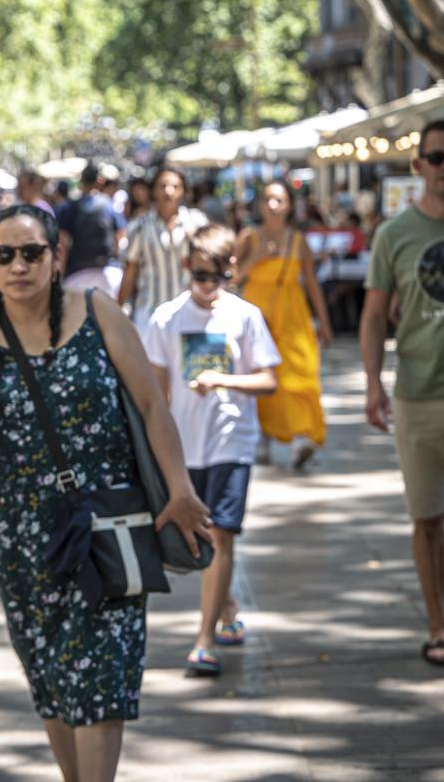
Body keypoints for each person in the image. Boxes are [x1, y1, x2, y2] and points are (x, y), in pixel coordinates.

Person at [0, 204, 211, 782]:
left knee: (102, 676)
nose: (19, 266)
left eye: (32, 252)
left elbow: (150, 406)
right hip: (23, 532)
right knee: (50, 674)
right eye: (5, 255)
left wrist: (180, 489)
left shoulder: (98, 311)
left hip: (111, 518)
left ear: (56, 254)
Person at [360, 118, 444, 669]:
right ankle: (439, 625)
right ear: (417, 166)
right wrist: (373, 381)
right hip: (417, 392)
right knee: (429, 517)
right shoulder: (394, 235)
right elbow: (372, 316)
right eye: (435, 157)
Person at [143, 224, 280, 676]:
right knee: (200, 537)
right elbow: (156, 394)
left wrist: (224, 379)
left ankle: (204, 640)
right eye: (200, 276)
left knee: (222, 533)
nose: (208, 287)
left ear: (232, 271)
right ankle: (227, 606)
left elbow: (268, 379)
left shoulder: (245, 316)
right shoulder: (165, 318)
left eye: (217, 277)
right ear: (187, 268)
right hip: (184, 446)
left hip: (231, 441)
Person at [235, 180, 333, 468]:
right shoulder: (249, 238)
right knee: (261, 374)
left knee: (299, 374)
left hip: (293, 315)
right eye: (268, 199)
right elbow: (232, 278)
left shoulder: (298, 241)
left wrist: (324, 321)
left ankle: (302, 437)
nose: (273, 205)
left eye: (279, 200)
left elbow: (312, 284)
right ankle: (264, 437)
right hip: (257, 316)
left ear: (289, 205)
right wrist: (257, 258)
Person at [119, 167, 208, 332]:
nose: (169, 191)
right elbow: (131, 270)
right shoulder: (139, 226)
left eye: (175, 186)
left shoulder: (197, 223)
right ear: (153, 191)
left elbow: (209, 265)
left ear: (183, 191)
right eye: (162, 186)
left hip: (189, 311)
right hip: (149, 311)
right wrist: (119, 308)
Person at [58, 161, 126, 299]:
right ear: (100, 180)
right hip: (108, 272)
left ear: (81, 181)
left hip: (76, 273)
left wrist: (60, 274)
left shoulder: (69, 207)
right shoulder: (110, 205)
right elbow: (121, 236)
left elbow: (62, 243)